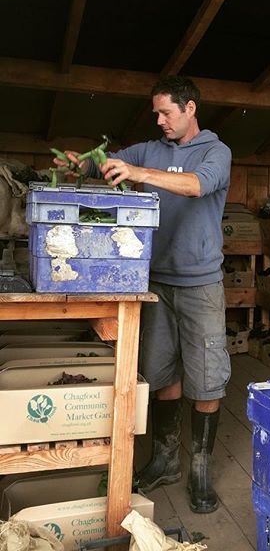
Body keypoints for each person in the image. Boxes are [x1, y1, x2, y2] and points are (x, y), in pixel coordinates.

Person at [56, 76, 232, 514]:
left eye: (166, 113)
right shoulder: (148, 150)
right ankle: (167, 459)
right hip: (153, 281)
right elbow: (109, 165)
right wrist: (86, 164)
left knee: (207, 374)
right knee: (160, 371)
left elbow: (195, 185)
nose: (160, 121)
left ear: (190, 109)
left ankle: (201, 469)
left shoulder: (215, 151)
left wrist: (138, 174)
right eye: (157, 113)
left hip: (201, 282)